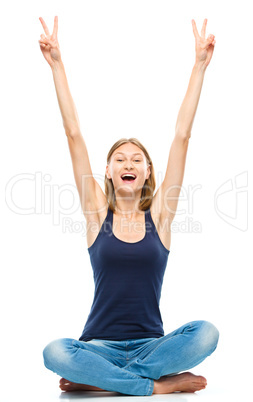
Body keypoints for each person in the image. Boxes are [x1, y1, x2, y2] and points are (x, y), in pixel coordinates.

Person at [39, 16, 219, 396]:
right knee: (55, 351)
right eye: (120, 159)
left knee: (206, 334)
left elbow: (182, 137)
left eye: (137, 159)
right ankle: (156, 387)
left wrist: (199, 65)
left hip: (152, 346)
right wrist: (57, 64)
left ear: (148, 171)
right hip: (97, 348)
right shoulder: (95, 215)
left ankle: (105, 384)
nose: (128, 164)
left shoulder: (161, 217)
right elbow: (74, 135)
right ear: (107, 171)